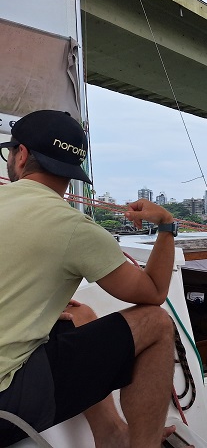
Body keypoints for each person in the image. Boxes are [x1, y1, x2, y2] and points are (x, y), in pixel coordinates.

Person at [0, 110, 179, 447]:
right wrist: (167, 225)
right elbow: (154, 292)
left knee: (79, 315)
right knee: (156, 323)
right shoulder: (74, 228)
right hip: (6, 404)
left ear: (21, 155)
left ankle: (112, 435)